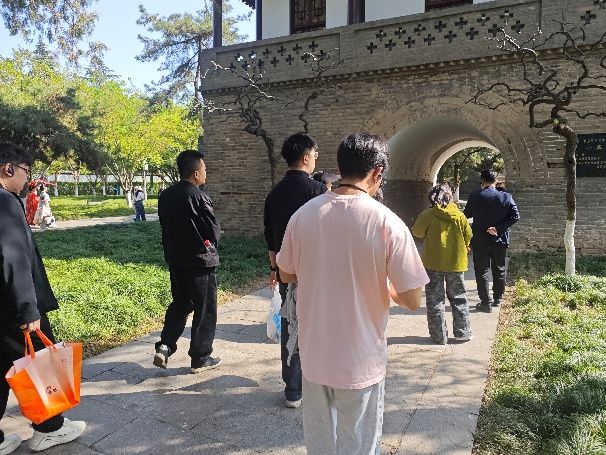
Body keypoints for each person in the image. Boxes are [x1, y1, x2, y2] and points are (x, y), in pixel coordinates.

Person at [277, 133, 429, 454]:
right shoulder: (388, 223)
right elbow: (413, 299)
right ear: (377, 172)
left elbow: (286, 273)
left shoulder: (303, 215)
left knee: (319, 443)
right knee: (358, 445)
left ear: (340, 167)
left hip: (315, 355)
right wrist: (384, 287)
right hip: (361, 359)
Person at [0, 142, 86, 455]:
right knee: (38, 361)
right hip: (13, 305)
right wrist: (28, 308)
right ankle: (49, 429)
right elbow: (14, 258)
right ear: (8, 168)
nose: (27, 179)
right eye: (25, 171)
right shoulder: (5, 201)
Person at [263, 133, 326, 409]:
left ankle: (293, 390)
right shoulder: (318, 191)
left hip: (287, 270)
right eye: (314, 153)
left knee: (290, 324)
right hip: (316, 272)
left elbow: (270, 237)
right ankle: (318, 382)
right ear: (305, 157)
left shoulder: (274, 193)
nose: (316, 158)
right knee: (318, 325)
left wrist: (274, 268)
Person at [153, 150, 222, 374]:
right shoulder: (199, 197)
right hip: (200, 262)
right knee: (205, 309)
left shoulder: (166, 195)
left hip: (176, 260)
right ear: (195, 173)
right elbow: (212, 231)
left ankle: (165, 345)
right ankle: (200, 357)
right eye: (204, 169)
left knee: (180, 304)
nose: (206, 173)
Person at [412, 184, 473, 344]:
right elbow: (468, 235)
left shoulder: (428, 215)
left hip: (433, 263)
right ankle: (463, 332)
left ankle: (439, 336)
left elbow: (417, 232)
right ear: (450, 197)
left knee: (434, 299)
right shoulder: (460, 215)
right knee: (459, 297)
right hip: (456, 263)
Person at [464, 169, 520, 312]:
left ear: (482, 181)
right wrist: (498, 228)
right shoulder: (506, 196)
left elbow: (466, 214)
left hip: (479, 239)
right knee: (499, 269)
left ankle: (485, 303)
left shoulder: (475, 196)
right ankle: (498, 299)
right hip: (499, 239)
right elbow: (515, 216)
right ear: (496, 181)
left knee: (481, 271)